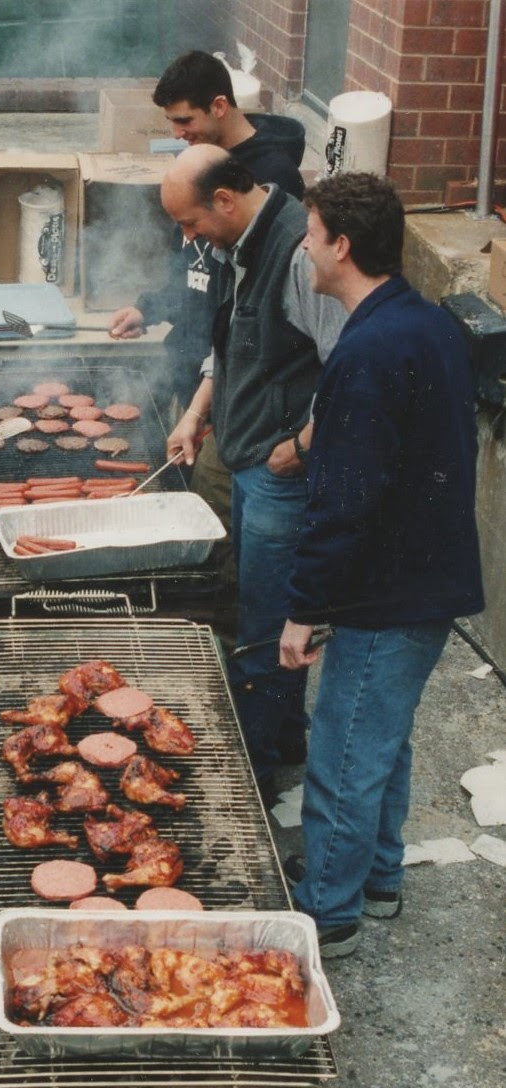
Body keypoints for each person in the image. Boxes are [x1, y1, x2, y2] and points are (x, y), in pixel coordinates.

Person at [276, 173, 483, 957]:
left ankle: (327, 914)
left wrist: (303, 606)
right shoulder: (424, 322)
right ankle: (379, 878)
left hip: (388, 592)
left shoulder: (367, 348)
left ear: (342, 245)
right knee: (382, 738)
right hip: (426, 582)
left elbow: (345, 501)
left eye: (312, 231)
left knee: (344, 750)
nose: (304, 245)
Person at [108, 50, 306, 675]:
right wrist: (195, 403)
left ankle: (259, 723)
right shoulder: (222, 215)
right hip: (222, 395)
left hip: (265, 438)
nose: (177, 133)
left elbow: (341, 358)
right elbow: (222, 323)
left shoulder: (285, 230)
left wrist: (296, 441)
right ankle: (224, 672)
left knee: (250, 585)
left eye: (185, 120)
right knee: (227, 558)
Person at [159, 146, 346, 805]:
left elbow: (348, 364)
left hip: (277, 472)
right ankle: (284, 736)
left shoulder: (297, 252)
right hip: (244, 456)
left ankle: (259, 773)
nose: (187, 238)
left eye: (189, 223)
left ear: (225, 202)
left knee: (268, 622)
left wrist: (299, 445)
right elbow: (227, 345)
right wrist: (193, 416)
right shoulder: (237, 244)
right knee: (254, 604)